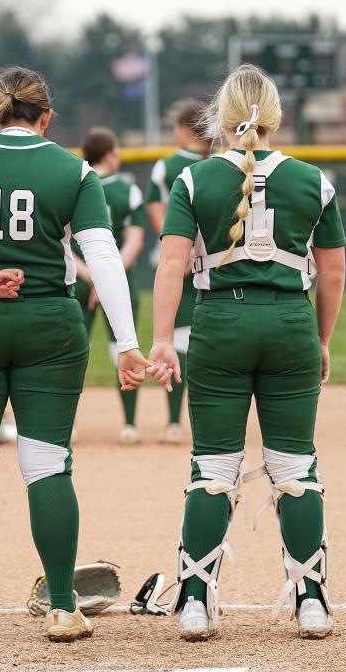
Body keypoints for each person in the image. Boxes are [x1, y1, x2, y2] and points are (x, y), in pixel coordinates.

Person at [0, 66, 149, 644]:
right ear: (46, 117)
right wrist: (128, 344)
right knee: (47, 464)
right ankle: (63, 607)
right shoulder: (75, 170)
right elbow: (104, 260)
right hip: (51, 326)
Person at [147, 64, 346, 641]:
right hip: (289, 323)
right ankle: (312, 601)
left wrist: (163, 338)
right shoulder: (313, 178)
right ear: (276, 116)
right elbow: (331, 272)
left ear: (222, 118)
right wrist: (321, 338)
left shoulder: (193, 179)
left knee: (213, 466)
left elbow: (172, 264)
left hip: (220, 325)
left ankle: (194, 602)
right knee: (294, 465)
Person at [72, 127, 145, 444]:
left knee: (69, 355)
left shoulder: (71, 184)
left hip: (75, 280)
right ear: (110, 155)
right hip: (120, 281)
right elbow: (135, 240)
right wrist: (108, 276)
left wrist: (91, 276)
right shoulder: (126, 190)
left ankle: (66, 427)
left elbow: (60, 243)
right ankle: (129, 425)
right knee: (124, 350)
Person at [146, 100, 212, 444]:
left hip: (175, 263)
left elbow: (158, 213)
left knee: (172, 340)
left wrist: (178, 250)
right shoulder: (222, 162)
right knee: (215, 339)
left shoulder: (167, 166)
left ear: (185, 129)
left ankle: (173, 422)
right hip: (216, 262)